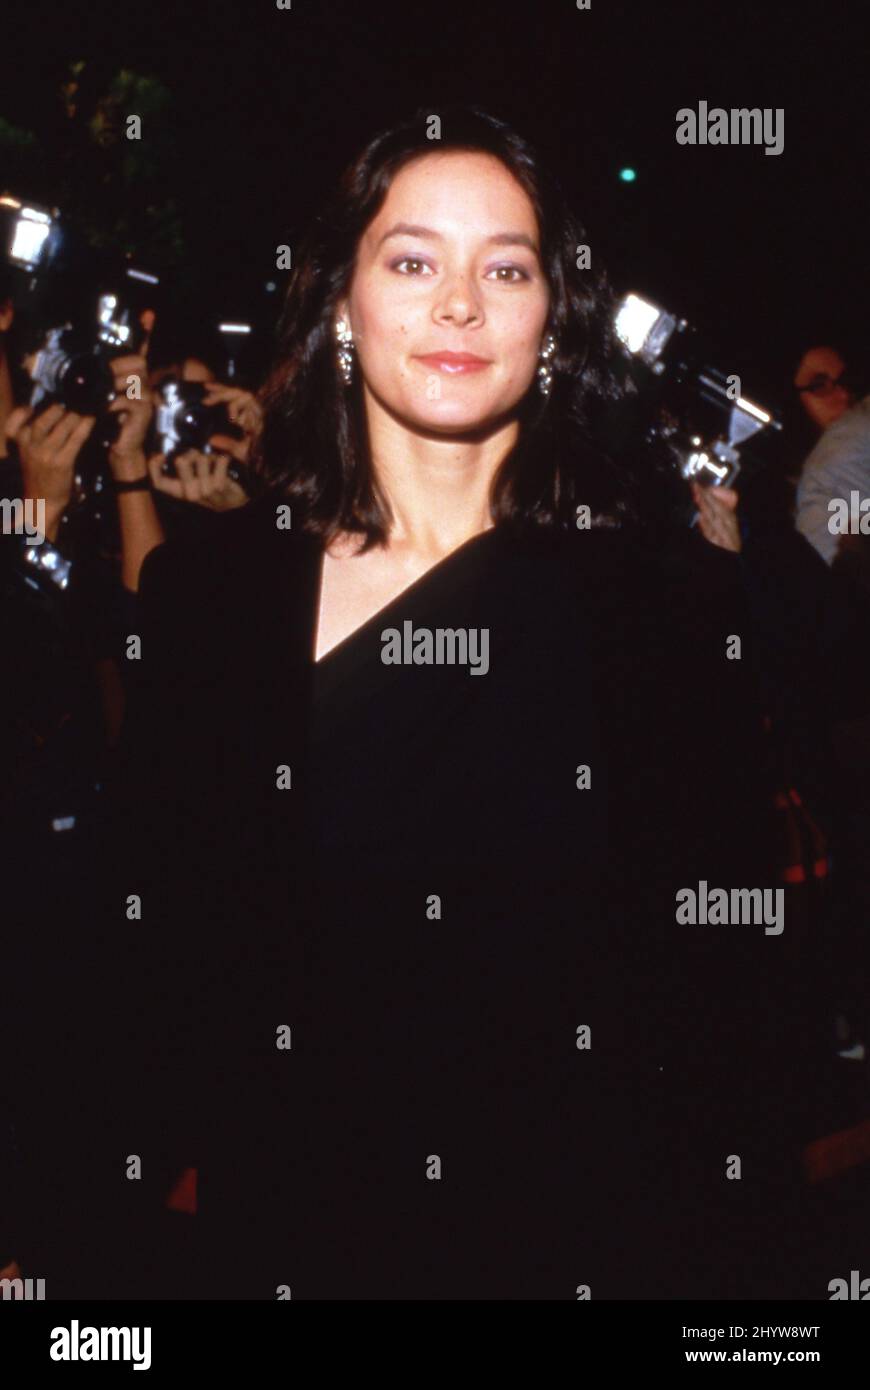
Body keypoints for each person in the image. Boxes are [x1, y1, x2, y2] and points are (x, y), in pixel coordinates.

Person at [111, 106, 833, 1301]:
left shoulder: (657, 596)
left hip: (590, 1218)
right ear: (342, 302)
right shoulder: (209, 596)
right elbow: (160, 945)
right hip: (301, 1219)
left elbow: (716, 997)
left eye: (506, 267)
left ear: (554, 318)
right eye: (412, 260)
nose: (460, 304)